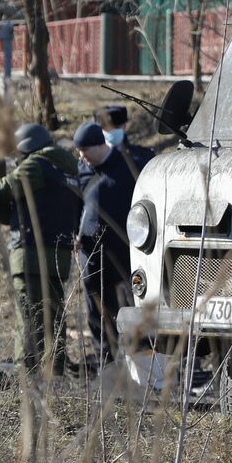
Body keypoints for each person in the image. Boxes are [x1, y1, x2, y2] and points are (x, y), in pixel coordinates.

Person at [0, 124, 80, 375]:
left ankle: (28, 373)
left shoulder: (36, 165)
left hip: (30, 256)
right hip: (60, 256)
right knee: (54, 315)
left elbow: (1, 188)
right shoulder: (68, 170)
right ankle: (55, 372)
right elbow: (18, 214)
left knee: (29, 315)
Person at [74, 121, 144, 365]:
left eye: (85, 150)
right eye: (78, 151)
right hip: (91, 249)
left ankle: (140, 357)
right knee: (96, 304)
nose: (82, 156)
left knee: (133, 301)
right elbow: (77, 204)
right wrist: (76, 233)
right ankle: (106, 360)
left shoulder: (128, 165)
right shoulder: (82, 169)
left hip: (124, 247)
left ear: (99, 145)